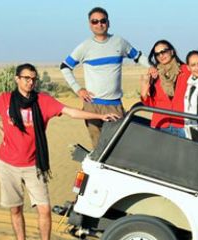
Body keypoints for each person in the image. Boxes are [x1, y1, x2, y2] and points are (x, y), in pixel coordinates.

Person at [0, 63, 120, 240]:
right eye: (26, 78)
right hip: (7, 164)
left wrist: (99, 116)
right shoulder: (5, 99)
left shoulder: (43, 101)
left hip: (35, 165)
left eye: (33, 79)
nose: (30, 82)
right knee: (15, 209)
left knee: (44, 209)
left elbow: (70, 112)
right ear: (17, 79)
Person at [60, 7, 150, 148]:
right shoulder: (85, 47)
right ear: (90, 25)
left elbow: (138, 56)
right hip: (92, 106)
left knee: (119, 146)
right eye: (94, 21)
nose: (99, 24)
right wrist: (78, 89)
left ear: (108, 22)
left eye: (102, 21)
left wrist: (152, 67)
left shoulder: (120, 42)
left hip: (114, 105)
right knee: (98, 148)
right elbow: (65, 67)